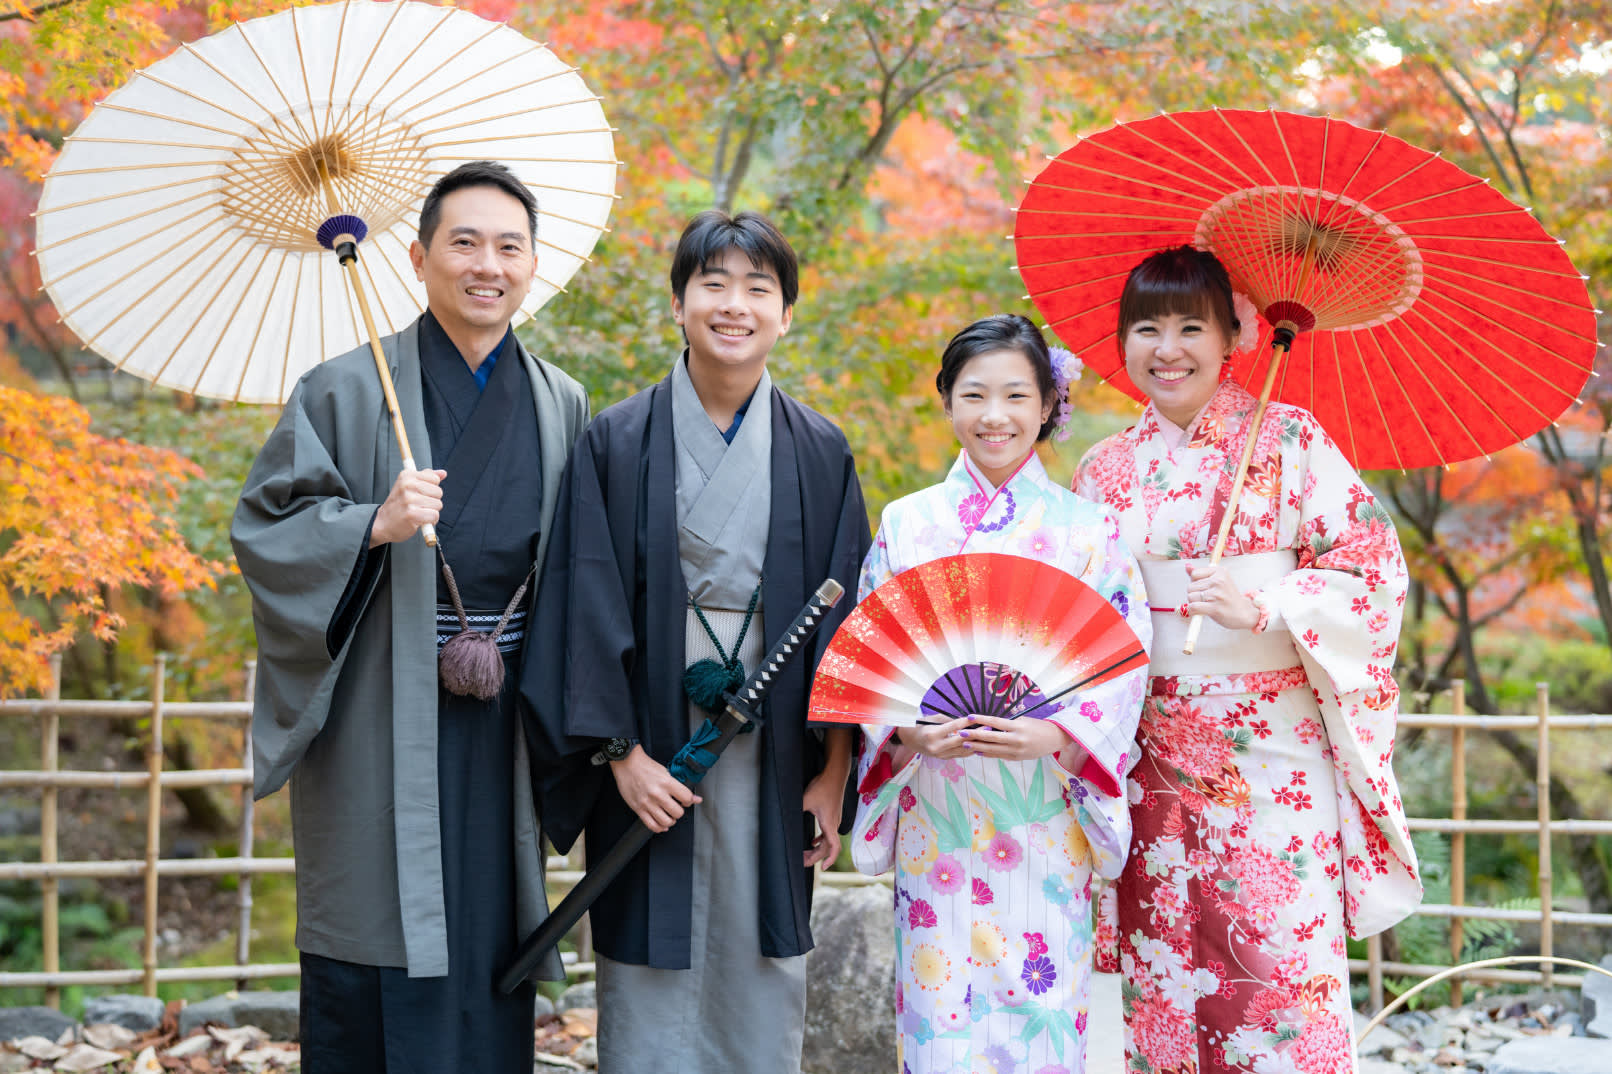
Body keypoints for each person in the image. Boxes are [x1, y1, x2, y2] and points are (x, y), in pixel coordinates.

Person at [231, 161, 588, 1072]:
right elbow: (265, 530)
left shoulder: (562, 402)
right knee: (372, 931)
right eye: (463, 243)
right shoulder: (343, 390)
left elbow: (583, 571)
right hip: (379, 710)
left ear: (532, 264)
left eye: (509, 246)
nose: (487, 265)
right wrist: (372, 525)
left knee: (488, 937)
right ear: (420, 258)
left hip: (506, 717)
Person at [523, 210, 870, 1074]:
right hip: (648, 738)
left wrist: (832, 773)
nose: (734, 305)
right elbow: (581, 600)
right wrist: (621, 757)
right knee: (649, 944)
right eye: (713, 284)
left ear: (785, 314)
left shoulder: (820, 450)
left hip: (777, 740)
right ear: (678, 304)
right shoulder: (616, 440)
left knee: (760, 947)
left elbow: (851, 631)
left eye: (759, 288)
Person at [1075, 245, 1422, 1074]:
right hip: (1149, 752)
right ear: (1121, 343)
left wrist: (1264, 602)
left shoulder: (1291, 438)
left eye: (1191, 328)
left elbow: (1373, 569)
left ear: (1235, 335)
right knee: (1166, 981)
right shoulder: (1101, 470)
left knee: (1280, 975)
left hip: (1269, 753)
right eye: (1146, 329)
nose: (1168, 349)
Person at [849, 314, 1151, 1074]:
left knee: (1040, 1005)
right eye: (974, 394)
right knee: (939, 1009)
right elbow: (874, 659)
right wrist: (908, 731)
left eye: (1017, 395)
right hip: (937, 803)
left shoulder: (1091, 531)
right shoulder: (907, 524)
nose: (995, 415)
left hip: (1045, 803)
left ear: (1048, 404)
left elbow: (1122, 663)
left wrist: (1059, 735)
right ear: (946, 400)